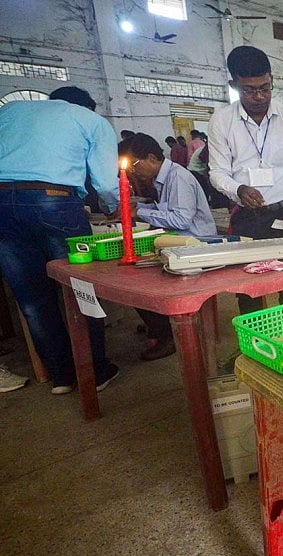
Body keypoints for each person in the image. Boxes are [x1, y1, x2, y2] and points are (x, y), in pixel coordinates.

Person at [0, 86, 120, 394]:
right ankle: (95, 372)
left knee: (32, 299)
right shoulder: (89, 120)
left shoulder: (10, 112)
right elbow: (106, 183)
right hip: (54, 202)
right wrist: (112, 208)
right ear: (86, 106)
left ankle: (62, 376)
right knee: (80, 290)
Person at [209, 45, 283, 313]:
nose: (259, 96)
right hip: (247, 216)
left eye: (265, 87)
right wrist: (238, 189)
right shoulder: (222, 121)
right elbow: (217, 172)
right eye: (249, 90)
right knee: (247, 288)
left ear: (271, 79)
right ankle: (254, 345)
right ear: (233, 84)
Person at [120, 133, 217, 360]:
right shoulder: (162, 179)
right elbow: (171, 211)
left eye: (134, 164)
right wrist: (145, 205)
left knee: (138, 281)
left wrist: (140, 212)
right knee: (137, 270)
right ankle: (159, 323)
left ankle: (165, 333)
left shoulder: (177, 177)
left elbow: (181, 220)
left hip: (195, 246)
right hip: (178, 242)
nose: (132, 171)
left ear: (152, 158)